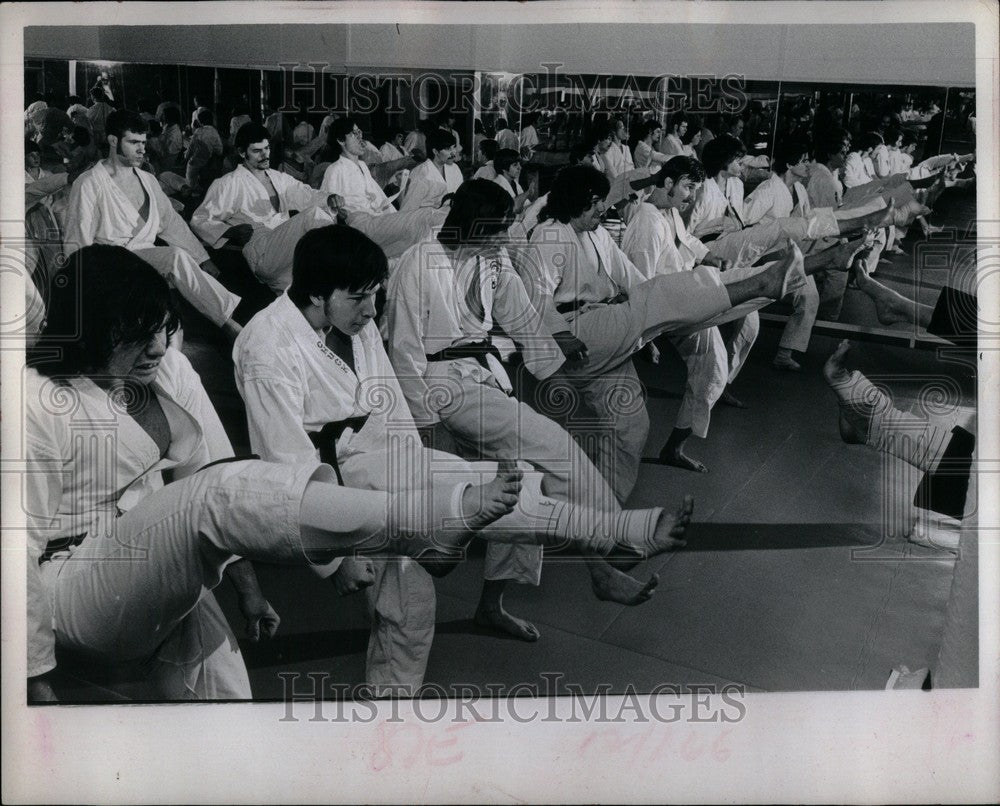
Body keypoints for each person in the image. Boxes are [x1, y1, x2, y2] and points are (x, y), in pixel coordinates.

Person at [24, 244, 534, 703]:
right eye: (137, 334)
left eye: (162, 328)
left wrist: (249, 591)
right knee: (209, 497)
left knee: (228, 707)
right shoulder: (35, 399)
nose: (157, 347)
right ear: (90, 330)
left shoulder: (169, 371)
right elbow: (15, 553)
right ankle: (425, 523)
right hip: (70, 581)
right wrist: (34, 686)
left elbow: (216, 469)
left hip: (156, 558)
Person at [235, 224, 683, 690]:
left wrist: (420, 456)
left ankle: (571, 537)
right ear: (315, 292)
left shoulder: (354, 320)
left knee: (494, 498)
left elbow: (389, 406)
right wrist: (331, 559)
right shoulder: (267, 347)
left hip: (383, 460)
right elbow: (288, 466)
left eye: (375, 297)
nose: (371, 311)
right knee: (415, 589)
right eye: (359, 299)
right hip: (334, 484)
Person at [387, 181, 693, 609]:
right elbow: (402, 350)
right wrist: (427, 426)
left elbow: (523, 319)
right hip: (440, 383)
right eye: (498, 228)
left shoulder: (490, 261)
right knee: (556, 448)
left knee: (524, 483)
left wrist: (557, 376)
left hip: (481, 377)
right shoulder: (419, 263)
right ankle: (619, 538)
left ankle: (503, 602)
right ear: (474, 225)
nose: (506, 237)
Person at [524, 165, 818, 499]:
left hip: (603, 333)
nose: (601, 210)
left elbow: (635, 281)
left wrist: (650, 328)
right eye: (593, 204)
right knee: (660, 298)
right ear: (574, 201)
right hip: (573, 332)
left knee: (632, 429)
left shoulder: (596, 233)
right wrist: (561, 333)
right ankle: (764, 281)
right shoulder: (548, 234)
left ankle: (604, 516)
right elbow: (535, 295)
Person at [64, 110, 242, 342]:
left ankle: (228, 321)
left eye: (144, 143)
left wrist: (203, 259)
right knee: (174, 259)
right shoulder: (89, 183)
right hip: (110, 266)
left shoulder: (147, 179)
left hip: (145, 259)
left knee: (177, 258)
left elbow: (171, 223)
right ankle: (227, 325)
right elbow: (77, 242)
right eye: (134, 142)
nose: (142, 149)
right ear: (112, 141)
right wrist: (85, 296)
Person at [190, 123, 341, 292]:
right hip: (262, 252)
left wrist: (329, 199)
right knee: (314, 215)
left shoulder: (279, 178)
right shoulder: (229, 183)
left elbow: (306, 194)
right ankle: (343, 266)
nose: (265, 155)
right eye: (257, 151)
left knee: (318, 293)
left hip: (285, 256)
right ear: (242, 152)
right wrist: (229, 231)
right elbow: (200, 219)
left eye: (267, 148)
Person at [319, 117, 446, 260]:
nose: (361, 137)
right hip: (362, 226)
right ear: (341, 140)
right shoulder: (335, 169)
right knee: (426, 216)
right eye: (354, 134)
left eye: (360, 132)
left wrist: (400, 200)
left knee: (423, 233)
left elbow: (382, 200)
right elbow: (325, 208)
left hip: (379, 222)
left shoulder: (362, 166)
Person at [399, 128, 463, 211]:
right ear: (435, 151)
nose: (453, 152)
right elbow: (408, 209)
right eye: (448, 149)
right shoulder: (421, 174)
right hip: (425, 220)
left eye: (453, 147)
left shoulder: (454, 169)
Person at [185, 108, 224, 193]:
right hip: (209, 160)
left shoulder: (198, 131)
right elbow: (219, 150)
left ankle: (193, 190)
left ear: (200, 121)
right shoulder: (214, 132)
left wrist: (186, 156)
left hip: (196, 160)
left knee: (190, 175)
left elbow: (191, 147)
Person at [86, 86, 115, 150]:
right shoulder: (111, 109)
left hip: (97, 140)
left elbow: (88, 123)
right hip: (110, 138)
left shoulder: (91, 110)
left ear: (93, 97)